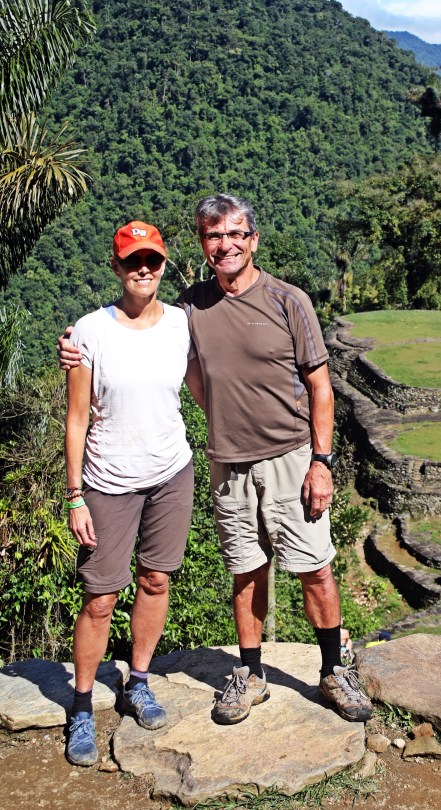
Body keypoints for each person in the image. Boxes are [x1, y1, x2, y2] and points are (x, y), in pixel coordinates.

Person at [60, 195, 372, 727]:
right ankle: (251, 673)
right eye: (213, 235)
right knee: (246, 570)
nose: (225, 245)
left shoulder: (288, 300)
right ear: (202, 245)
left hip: (290, 456)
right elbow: (125, 333)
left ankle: (332, 669)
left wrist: (322, 461)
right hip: (228, 462)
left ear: (253, 240)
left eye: (235, 234)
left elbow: (321, 387)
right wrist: (71, 345)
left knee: (314, 568)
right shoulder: (192, 308)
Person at [63, 221, 194, 766]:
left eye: (153, 260)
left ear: (163, 265)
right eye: (133, 261)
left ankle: (137, 681)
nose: (144, 269)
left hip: (171, 472)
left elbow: (210, 378)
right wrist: (74, 496)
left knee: (156, 579)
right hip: (108, 481)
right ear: (116, 267)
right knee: (100, 597)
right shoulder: (90, 331)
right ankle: (81, 707)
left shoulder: (182, 323)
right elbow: (76, 418)